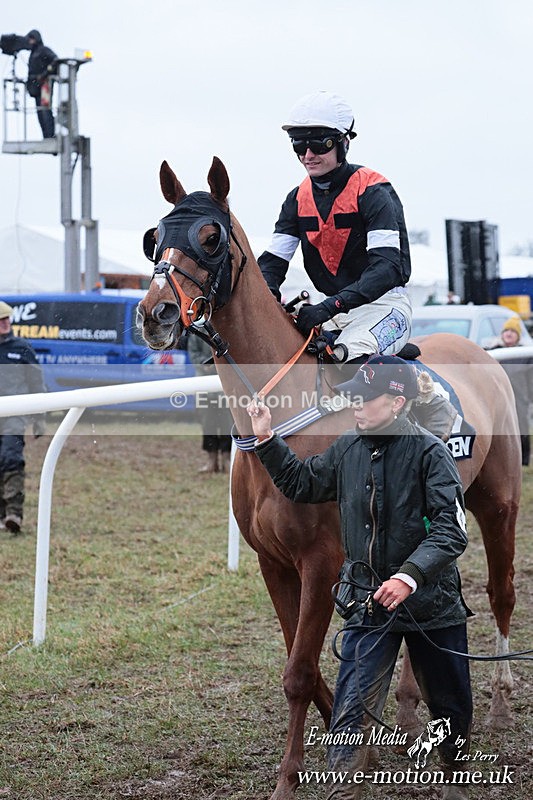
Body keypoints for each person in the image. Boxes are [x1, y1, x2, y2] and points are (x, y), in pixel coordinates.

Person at [247, 355, 472, 800]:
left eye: (367, 399)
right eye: (355, 397)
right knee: (351, 712)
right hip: (369, 602)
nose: (357, 406)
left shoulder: (431, 453)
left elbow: (451, 530)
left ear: (397, 402)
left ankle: (453, 774)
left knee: (449, 703)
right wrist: (267, 438)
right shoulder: (348, 447)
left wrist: (409, 577)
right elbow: (302, 483)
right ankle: (342, 791)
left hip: (430, 604)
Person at [258, 90, 412, 364]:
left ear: (343, 143)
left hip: (382, 307)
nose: (307, 155)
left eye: (318, 144)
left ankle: (432, 399)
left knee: (343, 358)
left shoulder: (374, 191)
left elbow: (387, 268)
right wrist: (267, 295)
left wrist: (331, 305)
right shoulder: (295, 199)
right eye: (298, 145)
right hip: (330, 311)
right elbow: (273, 262)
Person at [0, 301, 46, 534]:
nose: (5, 323)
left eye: (7, 319)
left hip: (14, 415)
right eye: (1, 321)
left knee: (11, 458)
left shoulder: (21, 348)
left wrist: (40, 418)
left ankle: (13, 513)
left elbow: (36, 382)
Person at [187, 332, 232, 473]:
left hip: (225, 384)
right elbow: (193, 354)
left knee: (227, 424)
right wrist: (206, 365)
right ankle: (211, 461)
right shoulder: (197, 332)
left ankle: (227, 460)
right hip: (203, 386)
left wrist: (217, 365)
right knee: (208, 424)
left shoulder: (224, 328)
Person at [493, 316, 533, 467]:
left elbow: (531, 379)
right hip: (498, 398)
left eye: (512, 331)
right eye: (506, 331)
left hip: (519, 398)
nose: (509, 334)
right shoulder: (494, 353)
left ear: (518, 335)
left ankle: (523, 461)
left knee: (521, 427)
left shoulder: (524, 355)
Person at [25, 29, 57, 139]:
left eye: (32, 38)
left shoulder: (43, 50)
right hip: (36, 87)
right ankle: (46, 136)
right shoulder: (33, 54)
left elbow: (55, 60)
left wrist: (45, 74)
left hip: (45, 85)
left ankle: (50, 135)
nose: (30, 41)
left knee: (45, 111)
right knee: (40, 112)